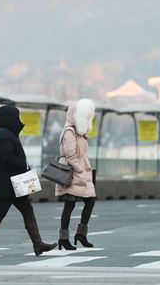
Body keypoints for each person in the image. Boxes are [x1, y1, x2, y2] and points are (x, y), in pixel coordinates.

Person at [0, 105, 56, 256]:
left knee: (26, 211)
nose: (18, 121)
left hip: (13, 184)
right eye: (16, 117)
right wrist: (24, 164)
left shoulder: (4, 133)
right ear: (9, 118)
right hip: (8, 185)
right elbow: (8, 158)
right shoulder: (5, 136)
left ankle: (37, 244)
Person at [56, 99, 97, 250]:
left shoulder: (80, 133)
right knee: (69, 204)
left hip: (82, 172)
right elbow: (70, 155)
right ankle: (63, 238)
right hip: (72, 173)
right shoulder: (70, 131)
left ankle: (81, 234)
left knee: (90, 201)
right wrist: (80, 169)